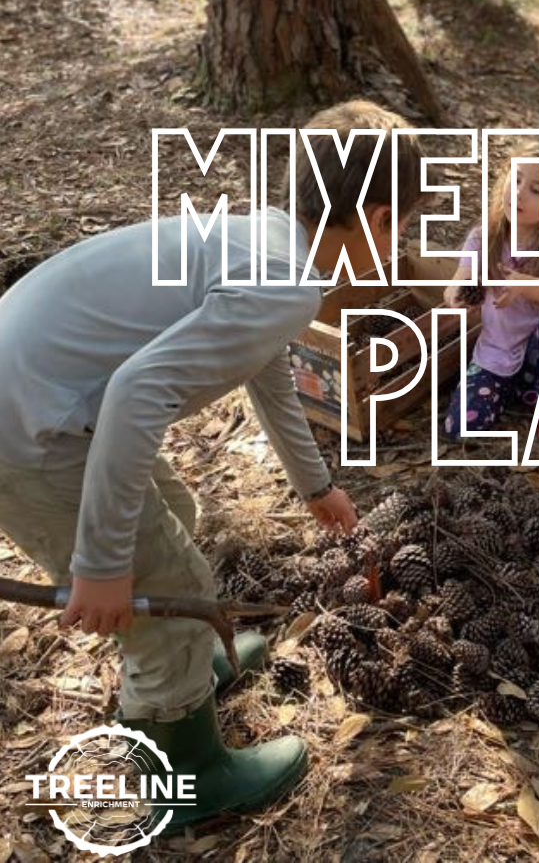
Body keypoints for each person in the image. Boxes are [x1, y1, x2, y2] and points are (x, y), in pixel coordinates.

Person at [0, 100, 422, 827]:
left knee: (177, 519)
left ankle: (187, 667)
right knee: (166, 586)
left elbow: (267, 369)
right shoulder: (288, 283)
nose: (402, 243)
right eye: (405, 228)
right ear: (379, 219)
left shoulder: (265, 240)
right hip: (33, 431)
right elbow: (137, 391)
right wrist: (101, 563)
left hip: (43, 395)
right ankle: (184, 774)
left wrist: (315, 484)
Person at [443, 137, 539, 441]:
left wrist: (523, 284)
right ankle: (507, 391)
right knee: (460, 428)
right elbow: (456, 283)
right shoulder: (483, 238)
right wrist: (462, 295)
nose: (519, 193)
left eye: (535, 190)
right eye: (516, 178)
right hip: (495, 352)